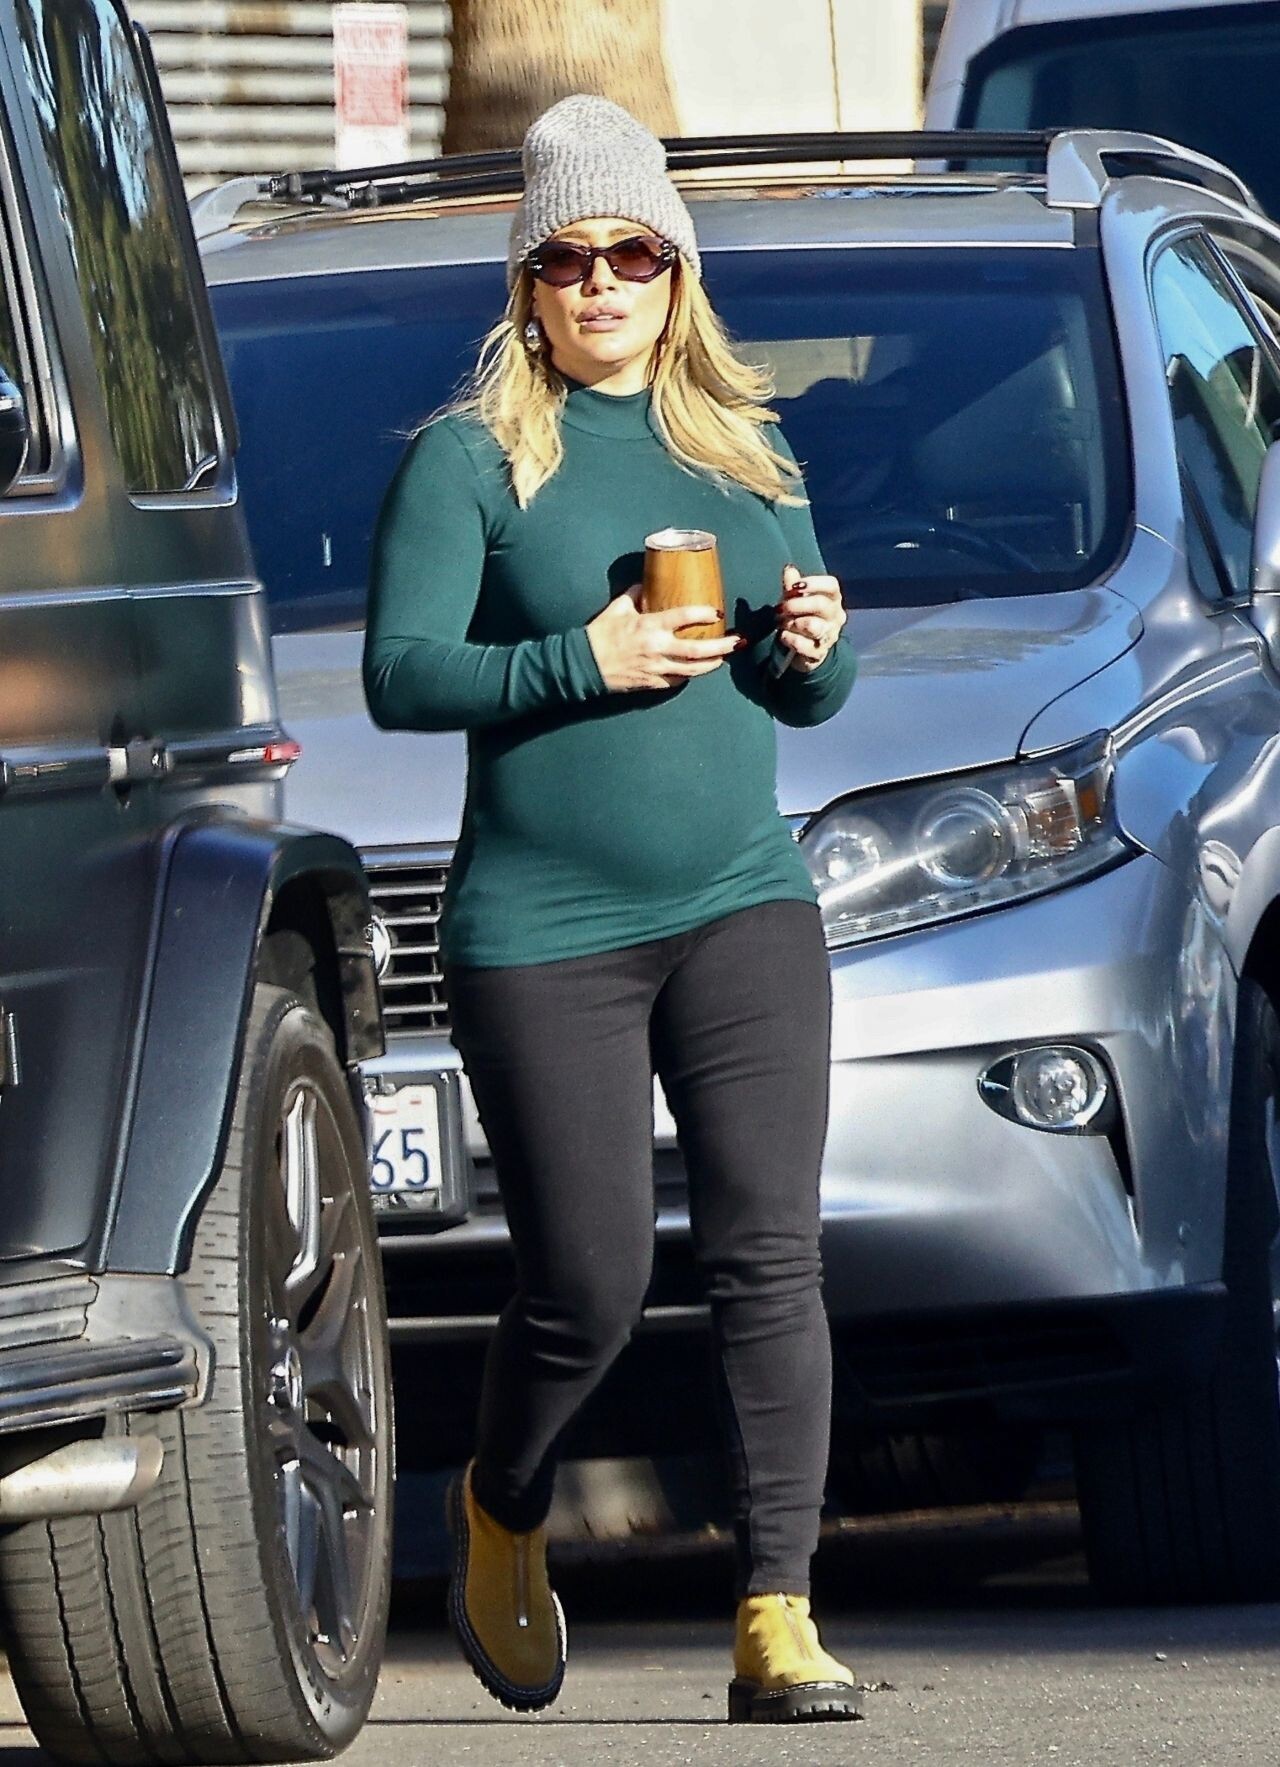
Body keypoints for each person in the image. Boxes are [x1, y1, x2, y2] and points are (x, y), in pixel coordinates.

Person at [363, 93, 859, 1726]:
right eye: (567, 258)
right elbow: (401, 675)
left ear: (676, 274)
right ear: (526, 283)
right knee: (588, 1284)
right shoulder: (471, 461)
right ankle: (501, 1503)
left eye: (632, 254)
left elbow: (808, 696)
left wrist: (813, 643)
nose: (601, 284)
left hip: (744, 904)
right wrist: (586, 657)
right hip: (542, 930)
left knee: (770, 1256)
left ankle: (778, 1612)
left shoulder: (746, 453)